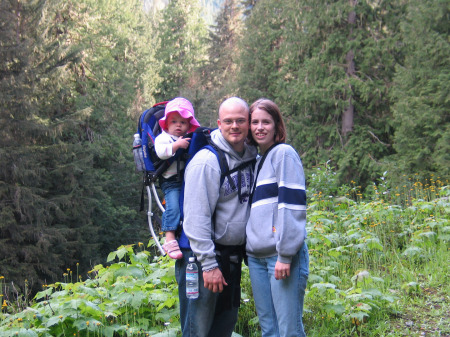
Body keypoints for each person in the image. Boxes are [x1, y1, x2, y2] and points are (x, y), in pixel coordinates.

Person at [175, 97, 257, 337]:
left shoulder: (251, 158)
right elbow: (195, 218)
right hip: (202, 260)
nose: (235, 126)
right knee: (197, 331)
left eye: (241, 121)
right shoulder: (207, 162)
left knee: (223, 328)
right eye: (229, 121)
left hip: (230, 260)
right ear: (219, 124)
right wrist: (209, 265)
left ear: (249, 123)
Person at [246, 98, 309, 337]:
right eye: (255, 122)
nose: (260, 127)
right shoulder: (257, 161)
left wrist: (285, 254)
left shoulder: (284, 154)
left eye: (266, 122)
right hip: (257, 259)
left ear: (277, 126)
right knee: (269, 330)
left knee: (288, 331)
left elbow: (292, 206)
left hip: (281, 258)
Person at [155, 97, 200, 260]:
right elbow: (160, 152)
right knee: (173, 206)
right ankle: (169, 238)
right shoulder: (164, 138)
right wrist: (176, 146)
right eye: (174, 121)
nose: (178, 125)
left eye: (182, 122)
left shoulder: (191, 138)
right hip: (171, 180)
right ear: (166, 124)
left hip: (187, 180)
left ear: (189, 125)